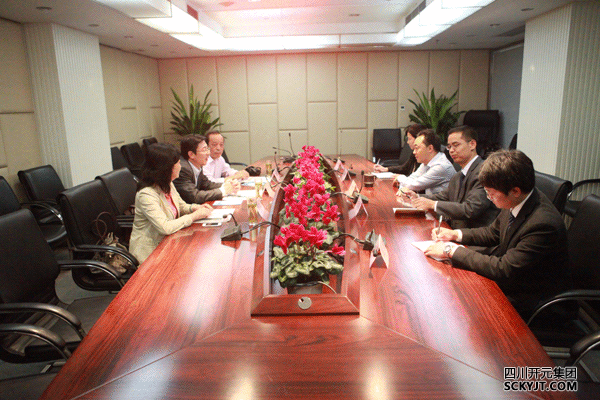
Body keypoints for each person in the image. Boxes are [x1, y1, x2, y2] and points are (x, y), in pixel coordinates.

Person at [424, 149, 570, 319]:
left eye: (491, 193)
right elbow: (493, 232)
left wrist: (450, 250)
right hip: (513, 279)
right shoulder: (517, 199)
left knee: (458, 306)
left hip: (533, 298)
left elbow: (504, 269)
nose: (489, 197)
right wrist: (454, 235)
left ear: (515, 191)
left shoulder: (543, 224)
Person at [129, 143, 213, 262]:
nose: (180, 166)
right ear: (167, 168)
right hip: (151, 253)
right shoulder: (146, 194)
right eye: (178, 163)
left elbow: (181, 206)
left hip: (170, 242)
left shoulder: (167, 183)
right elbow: (165, 227)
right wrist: (194, 216)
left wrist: (195, 208)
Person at [402, 126, 498, 229]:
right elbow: (444, 197)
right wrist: (417, 197)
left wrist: (433, 204)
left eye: (456, 145)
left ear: (472, 144)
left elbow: (471, 209)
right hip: (453, 229)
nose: (451, 150)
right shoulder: (458, 176)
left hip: (475, 233)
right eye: (449, 147)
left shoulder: (484, 171)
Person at [173, 134, 241, 204]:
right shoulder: (182, 169)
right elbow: (195, 196)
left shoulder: (197, 164)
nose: (208, 153)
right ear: (191, 154)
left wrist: (230, 185)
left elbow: (207, 185)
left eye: (207, 149)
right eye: (204, 150)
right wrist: (223, 191)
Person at [396, 129, 455, 195]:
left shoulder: (441, 166)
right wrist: (403, 188)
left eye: (417, 148)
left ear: (430, 148)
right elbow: (412, 179)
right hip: (428, 199)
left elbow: (414, 185)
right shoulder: (427, 161)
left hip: (438, 201)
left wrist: (399, 177)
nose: (414, 152)